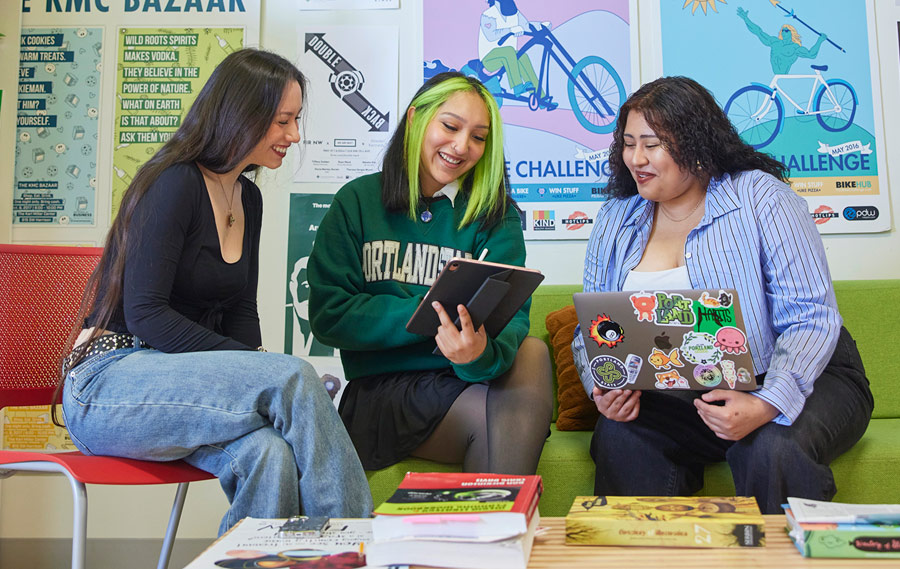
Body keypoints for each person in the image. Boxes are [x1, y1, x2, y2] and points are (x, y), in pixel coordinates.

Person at [57, 48, 373, 535]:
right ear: (241, 115)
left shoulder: (249, 196)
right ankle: (355, 545)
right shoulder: (173, 182)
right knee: (292, 377)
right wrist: (255, 368)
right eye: (282, 120)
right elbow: (146, 315)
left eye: (295, 120)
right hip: (108, 385)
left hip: (180, 386)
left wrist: (251, 365)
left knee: (270, 455)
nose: (294, 135)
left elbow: (242, 307)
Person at [572, 76, 873, 514]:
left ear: (695, 143)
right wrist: (603, 388)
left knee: (770, 446)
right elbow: (592, 329)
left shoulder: (761, 197)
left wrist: (767, 403)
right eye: (628, 143)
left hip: (805, 374)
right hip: (690, 390)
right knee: (620, 437)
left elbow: (811, 317)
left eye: (652, 144)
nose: (636, 158)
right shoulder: (616, 218)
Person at [308, 71, 552, 475]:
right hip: (384, 390)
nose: (462, 146)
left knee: (530, 351)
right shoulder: (357, 201)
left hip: (466, 377)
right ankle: (504, 526)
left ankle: (495, 524)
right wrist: (426, 313)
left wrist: (476, 357)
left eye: (478, 136)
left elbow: (512, 320)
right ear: (416, 117)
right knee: (495, 424)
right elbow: (331, 315)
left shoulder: (496, 215)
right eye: (451, 126)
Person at [478, 0, 545, 98]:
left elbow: (526, 25)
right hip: (489, 58)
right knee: (508, 51)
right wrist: (511, 30)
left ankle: (539, 96)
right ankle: (517, 86)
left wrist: (540, 26)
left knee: (523, 57)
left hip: (510, 56)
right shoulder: (488, 15)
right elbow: (491, 35)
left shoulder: (514, 12)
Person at [736, 6, 827, 75]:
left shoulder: (795, 48)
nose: (784, 32)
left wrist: (820, 41)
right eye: (782, 30)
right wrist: (746, 19)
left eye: (787, 30)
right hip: (777, 76)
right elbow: (758, 32)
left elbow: (811, 54)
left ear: (792, 33)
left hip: (784, 77)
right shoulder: (775, 42)